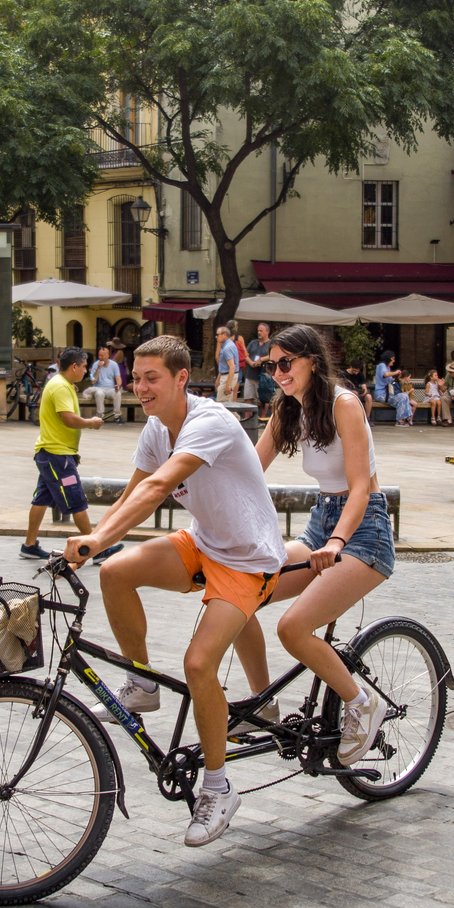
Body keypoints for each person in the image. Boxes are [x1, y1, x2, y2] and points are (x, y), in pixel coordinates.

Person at [63, 335, 287, 849]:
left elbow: (158, 487)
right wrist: (97, 542)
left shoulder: (207, 423)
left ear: (181, 378)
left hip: (247, 559)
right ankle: (142, 687)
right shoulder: (155, 428)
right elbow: (133, 490)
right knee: (116, 573)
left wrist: (97, 537)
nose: (139, 387)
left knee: (198, 664)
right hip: (205, 543)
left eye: (151, 379)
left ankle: (217, 788)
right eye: (135, 378)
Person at [231, 323, 392, 771]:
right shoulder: (288, 408)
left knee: (293, 628)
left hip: (364, 531)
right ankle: (263, 703)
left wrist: (338, 540)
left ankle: (362, 702)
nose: (278, 372)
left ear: (312, 362)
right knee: (236, 594)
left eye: (286, 363)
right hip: (321, 523)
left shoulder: (344, 404)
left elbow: (361, 487)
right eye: (271, 364)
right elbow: (248, 468)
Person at [20, 347, 122, 562]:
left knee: (41, 499)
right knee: (77, 500)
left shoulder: (60, 384)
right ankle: (96, 549)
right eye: (84, 366)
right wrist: (91, 423)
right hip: (58, 456)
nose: (86, 370)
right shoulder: (61, 387)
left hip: (50, 453)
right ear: (74, 366)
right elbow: (68, 418)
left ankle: (29, 545)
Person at [374, 352, 414, 426]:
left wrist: (399, 378)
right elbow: (385, 374)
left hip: (389, 394)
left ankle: (407, 417)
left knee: (404, 395)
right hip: (381, 394)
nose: (394, 361)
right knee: (403, 397)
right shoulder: (381, 365)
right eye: (393, 359)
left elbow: (391, 381)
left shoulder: (388, 368)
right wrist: (396, 372)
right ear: (388, 359)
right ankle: (400, 420)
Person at [88, 344, 125, 422]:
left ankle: (117, 416)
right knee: (99, 393)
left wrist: (118, 385)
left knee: (117, 393)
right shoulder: (95, 365)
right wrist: (98, 368)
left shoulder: (114, 365)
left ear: (108, 355)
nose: (100, 357)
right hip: (98, 388)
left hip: (110, 389)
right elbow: (93, 381)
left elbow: (118, 378)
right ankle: (100, 416)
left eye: (102, 355)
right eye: (99, 355)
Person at [214, 325, 239, 403]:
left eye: (218, 334)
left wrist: (227, 385)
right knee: (227, 403)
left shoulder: (227, 348)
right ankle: (235, 416)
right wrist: (218, 379)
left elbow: (232, 367)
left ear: (224, 334)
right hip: (227, 376)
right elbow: (224, 366)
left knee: (221, 403)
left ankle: (236, 416)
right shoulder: (227, 345)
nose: (216, 337)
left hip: (228, 377)